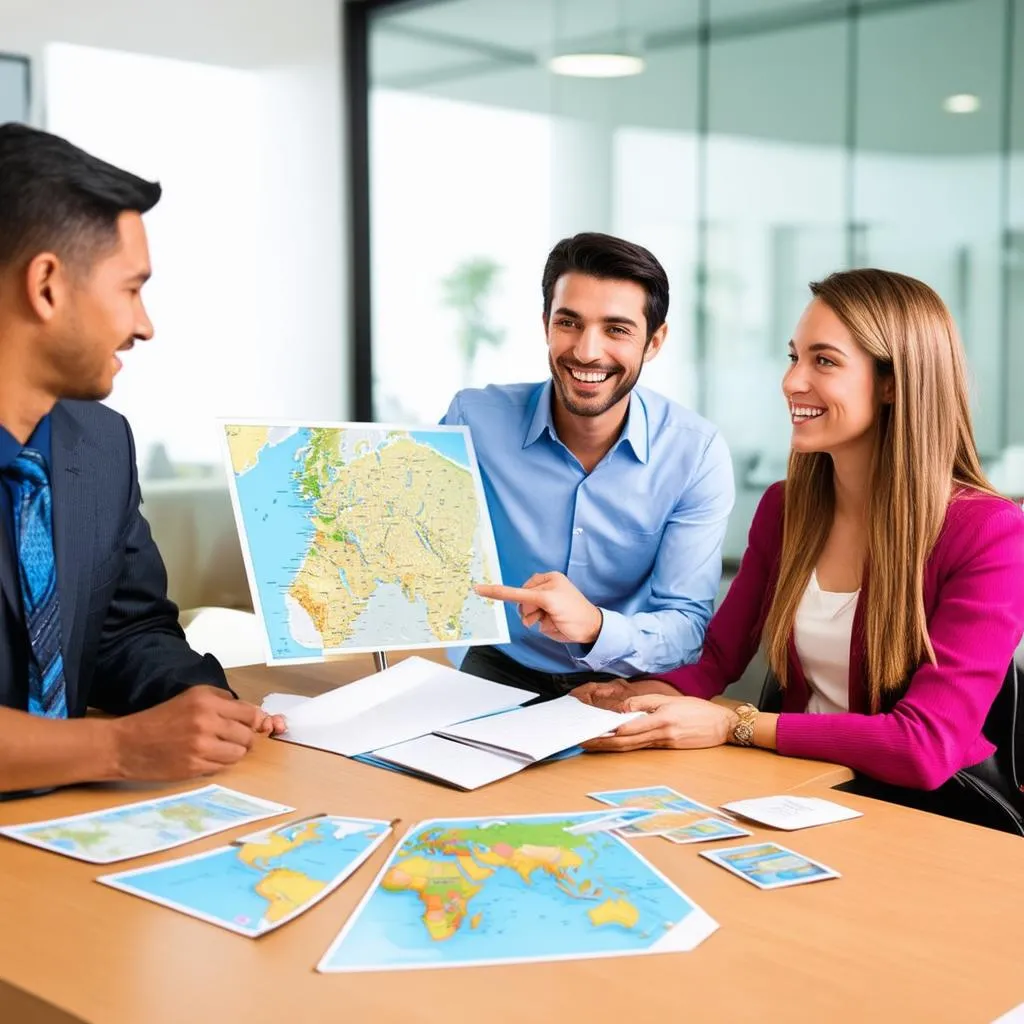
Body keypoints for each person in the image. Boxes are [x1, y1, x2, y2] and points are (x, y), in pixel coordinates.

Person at [573, 268, 1024, 815]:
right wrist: (630, 697)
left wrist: (737, 723)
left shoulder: (991, 533)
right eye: (794, 357)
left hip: (929, 814)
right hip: (797, 795)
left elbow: (925, 746)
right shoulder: (787, 508)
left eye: (824, 361)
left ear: (892, 383)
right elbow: (717, 657)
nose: (792, 382)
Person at [0, 123, 283, 796]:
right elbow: (121, 746)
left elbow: (124, 632)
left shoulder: (100, 443)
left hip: (63, 837)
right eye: (131, 288)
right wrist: (120, 747)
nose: (145, 324)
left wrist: (201, 701)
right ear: (47, 285)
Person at [445, 232, 734, 698]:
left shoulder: (695, 454)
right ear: (545, 325)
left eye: (616, 329)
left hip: (625, 680)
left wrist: (595, 626)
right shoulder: (472, 420)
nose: (586, 351)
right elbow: (429, 563)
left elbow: (687, 626)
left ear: (654, 341)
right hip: (498, 667)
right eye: (569, 323)